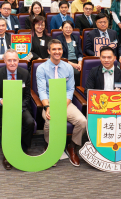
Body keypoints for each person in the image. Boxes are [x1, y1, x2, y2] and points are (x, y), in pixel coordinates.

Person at [36, 39, 86, 167]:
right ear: (48, 51)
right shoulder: (41, 68)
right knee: (49, 120)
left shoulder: (68, 67)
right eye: (54, 49)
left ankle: (72, 146)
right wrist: (47, 107)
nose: (57, 52)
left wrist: (63, 105)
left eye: (59, 49)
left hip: (65, 102)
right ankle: (49, 146)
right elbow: (41, 90)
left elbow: (70, 89)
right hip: (50, 102)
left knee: (82, 121)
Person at [0, 49, 35, 170]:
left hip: (21, 107)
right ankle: (7, 155)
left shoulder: (25, 73)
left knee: (30, 122)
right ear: (4, 61)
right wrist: (1, 101)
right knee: (7, 124)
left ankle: (23, 149)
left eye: (15, 60)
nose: (12, 63)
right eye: (9, 60)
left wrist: (19, 107)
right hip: (4, 108)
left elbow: (27, 96)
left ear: (19, 61)